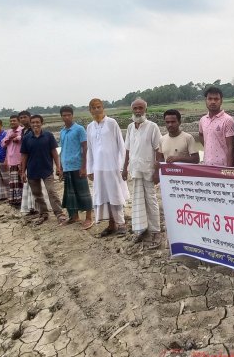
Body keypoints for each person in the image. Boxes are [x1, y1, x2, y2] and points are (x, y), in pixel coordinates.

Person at [86, 98, 129, 236]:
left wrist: (123, 166)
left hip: (112, 166)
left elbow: (121, 145)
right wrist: (90, 169)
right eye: (93, 108)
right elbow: (90, 149)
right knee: (104, 196)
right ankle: (111, 224)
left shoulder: (111, 123)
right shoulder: (90, 127)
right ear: (90, 110)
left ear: (103, 108)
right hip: (98, 168)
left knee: (115, 194)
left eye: (99, 107)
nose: (96, 110)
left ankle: (121, 223)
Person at [123, 99, 162, 246]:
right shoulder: (130, 128)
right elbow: (127, 150)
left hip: (148, 170)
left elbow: (158, 150)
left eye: (140, 108)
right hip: (135, 170)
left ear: (145, 109)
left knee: (151, 200)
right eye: (135, 108)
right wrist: (124, 168)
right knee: (138, 201)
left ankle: (156, 231)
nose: (138, 111)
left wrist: (157, 171)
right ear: (132, 110)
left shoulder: (152, 127)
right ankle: (141, 229)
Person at [20, 114, 66, 225]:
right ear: (30, 124)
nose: (35, 124)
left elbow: (54, 152)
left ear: (42, 123)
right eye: (33, 122)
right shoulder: (26, 138)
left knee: (52, 192)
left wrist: (58, 167)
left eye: (37, 122)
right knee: (37, 194)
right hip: (32, 170)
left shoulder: (48, 135)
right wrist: (22, 172)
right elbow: (24, 156)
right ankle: (43, 213)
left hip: (47, 170)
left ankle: (59, 214)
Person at [59, 105, 93, 229]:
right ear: (61, 117)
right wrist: (61, 167)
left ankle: (89, 218)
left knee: (83, 193)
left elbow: (85, 148)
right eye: (64, 115)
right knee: (70, 194)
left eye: (69, 115)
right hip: (67, 167)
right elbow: (62, 150)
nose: (67, 117)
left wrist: (84, 167)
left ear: (72, 115)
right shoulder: (62, 131)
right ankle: (74, 216)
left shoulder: (79, 129)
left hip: (78, 166)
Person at [198, 86, 234, 167]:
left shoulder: (227, 120)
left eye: (216, 99)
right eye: (210, 99)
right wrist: (209, 147)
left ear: (221, 101)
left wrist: (229, 169)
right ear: (205, 101)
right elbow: (201, 135)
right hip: (207, 165)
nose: (213, 102)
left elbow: (231, 147)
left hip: (223, 166)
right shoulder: (202, 120)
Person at [1, 115, 24, 207]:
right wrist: (9, 138)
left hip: (20, 160)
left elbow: (25, 139)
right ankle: (16, 200)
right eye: (11, 121)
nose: (12, 122)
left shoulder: (22, 130)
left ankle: (23, 200)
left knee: (21, 180)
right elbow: (2, 144)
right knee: (14, 182)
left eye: (14, 121)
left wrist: (18, 138)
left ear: (19, 121)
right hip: (11, 160)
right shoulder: (9, 132)